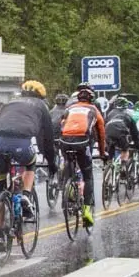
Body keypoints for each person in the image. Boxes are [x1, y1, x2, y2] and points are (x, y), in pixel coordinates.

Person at [0, 79, 55, 218]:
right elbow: (47, 138)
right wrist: (51, 162)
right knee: (30, 164)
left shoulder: (10, 103)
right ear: (41, 96)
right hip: (20, 140)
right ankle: (25, 195)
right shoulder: (41, 105)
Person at [57, 86, 107, 227]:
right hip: (82, 142)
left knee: (68, 163)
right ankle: (86, 211)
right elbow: (101, 133)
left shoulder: (70, 109)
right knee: (88, 175)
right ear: (91, 100)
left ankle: (68, 190)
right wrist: (102, 153)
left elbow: (61, 124)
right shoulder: (94, 110)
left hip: (64, 141)